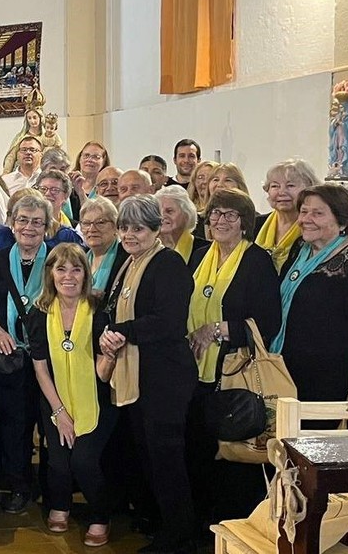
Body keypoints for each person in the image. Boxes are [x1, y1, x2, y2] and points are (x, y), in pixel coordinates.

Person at [98, 195, 196, 553]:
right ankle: (161, 523)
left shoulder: (167, 263)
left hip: (164, 378)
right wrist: (110, 332)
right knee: (149, 456)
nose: (129, 235)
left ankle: (180, 536)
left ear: (156, 229)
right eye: (124, 227)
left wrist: (122, 331)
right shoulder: (129, 263)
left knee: (166, 460)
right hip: (139, 375)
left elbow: (169, 322)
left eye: (138, 228)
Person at [183, 188, 281, 524]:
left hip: (234, 369)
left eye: (230, 214)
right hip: (195, 371)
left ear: (245, 222)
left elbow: (268, 322)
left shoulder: (257, 261)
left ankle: (234, 524)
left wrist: (215, 330)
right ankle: (201, 524)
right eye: (215, 213)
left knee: (233, 452)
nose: (220, 220)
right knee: (199, 449)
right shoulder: (200, 256)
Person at [25, 244, 117, 547]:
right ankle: (60, 506)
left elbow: (103, 374)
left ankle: (100, 516)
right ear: (50, 274)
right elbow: (40, 369)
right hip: (54, 399)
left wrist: (110, 356)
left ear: (85, 275)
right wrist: (60, 413)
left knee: (84, 462)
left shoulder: (100, 310)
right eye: (61, 269)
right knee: (58, 462)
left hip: (97, 401)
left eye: (76, 269)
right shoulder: (38, 314)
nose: (68, 276)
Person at [272, 184, 348, 403]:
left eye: (318, 213)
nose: (306, 219)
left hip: (332, 382)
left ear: (343, 221)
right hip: (289, 374)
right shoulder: (301, 248)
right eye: (304, 211)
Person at [0, 192, 51, 514]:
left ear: (47, 227)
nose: (29, 228)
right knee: (12, 423)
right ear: (12, 223)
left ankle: (49, 486)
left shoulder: (57, 259)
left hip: (49, 356)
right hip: (10, 357)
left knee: (46, 423)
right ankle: (17, 484)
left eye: (37, 222)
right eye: (23, 220)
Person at [255, 158, 321, 271]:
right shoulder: (255, 224)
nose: (282, 192)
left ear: (309, 189)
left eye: (290, 186)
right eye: (275, 186)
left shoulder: (314, 228)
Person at [81, 196, 126, 301]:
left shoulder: (126, 258)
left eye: (100, 222)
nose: (92, 229)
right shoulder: (80, 258)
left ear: (115, 226)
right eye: (86, 223)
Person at [156, 185, 207, 261]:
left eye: (169, 211)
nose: (162, 216)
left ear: (187, 215)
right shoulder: (147, 249)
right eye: (158, 211)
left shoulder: (205, 251)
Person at [2, 108, 44, 174]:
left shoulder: (48, 138)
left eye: (34, 117)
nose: (32, 121)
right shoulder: (21, 137)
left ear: (41, 118)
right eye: (29, 118)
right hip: (21, 172)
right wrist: (6, 172)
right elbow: (11, 156)